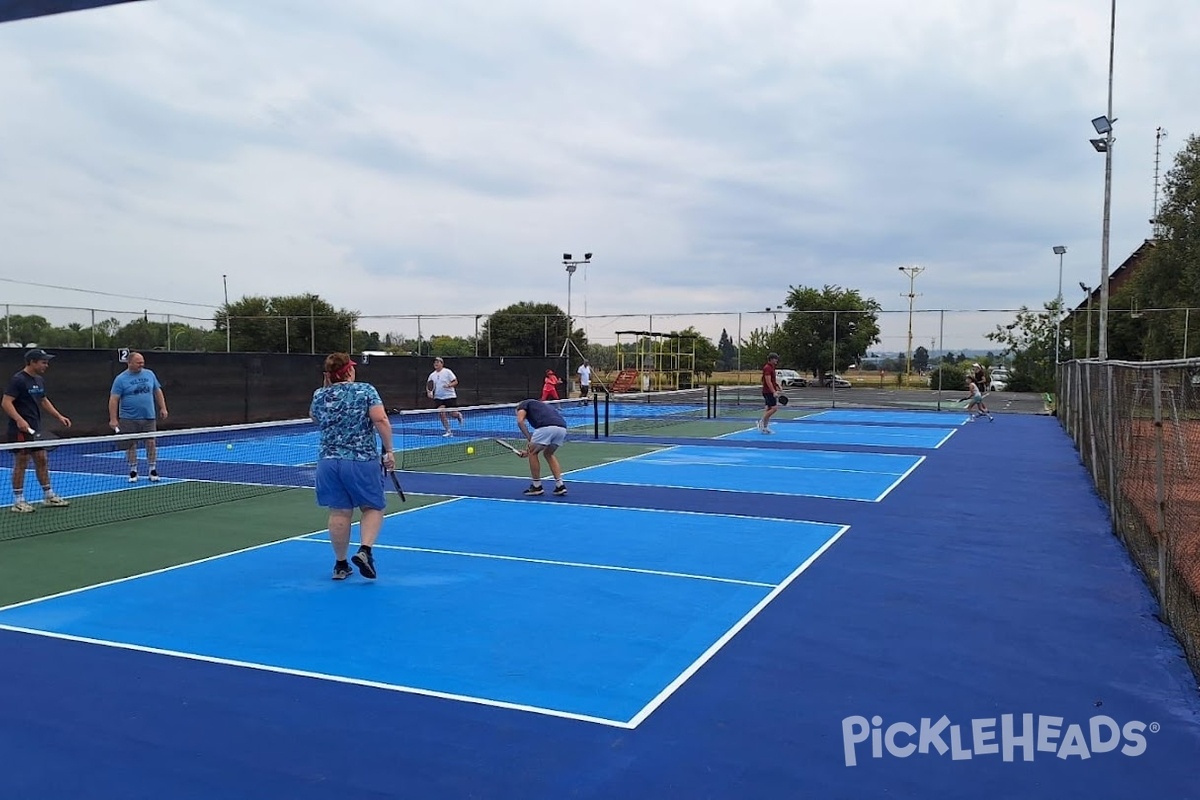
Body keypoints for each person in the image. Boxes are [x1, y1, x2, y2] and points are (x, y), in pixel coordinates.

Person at [310, 352, 396, 580]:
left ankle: (340, 565)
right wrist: (389, 450)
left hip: (328, 462)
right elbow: (380, 419)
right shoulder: (365, 390)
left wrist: (327, 388)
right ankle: (365, 550)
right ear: (348, 371)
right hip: (360, 460)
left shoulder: (320, 394)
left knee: (339, 511)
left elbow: (315, 417)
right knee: (373, 507)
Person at [2, 349, 72, 512]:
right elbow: (6, 402)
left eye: (46, 362)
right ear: (32, 362)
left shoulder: (39, 380)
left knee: (41, 459)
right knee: (22, 462)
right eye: (43, 362)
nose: (46, 365)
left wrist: (59, 416)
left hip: (35, 428)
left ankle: (49, 496)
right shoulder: (18, 380)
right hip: (19, 430)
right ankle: (19, 501)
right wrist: (19, 419)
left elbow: (43, 400)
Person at [108, 350, 169, 482]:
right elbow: (114, 399)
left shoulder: (150, 374)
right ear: (129, 363)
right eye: (138, 362)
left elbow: (157, 391)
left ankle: (152, 469)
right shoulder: (120, 379)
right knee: (130, 445)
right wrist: (113, 419)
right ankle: (133, 470)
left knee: (151, 443)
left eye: (142, 362)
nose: (141, 364)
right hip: (128, 418)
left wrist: (163, 408)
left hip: (149, 417)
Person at [515, 398, 568, 496]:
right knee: (548, 453)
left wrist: (529, 439)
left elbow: (520, 421)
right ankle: (560, 485)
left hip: (546, 427)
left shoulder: (522, 405)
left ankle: (536, 486)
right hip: (562, 428)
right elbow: (541, 444)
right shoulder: (542, 406)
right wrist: (528, 450)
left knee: (533, 453)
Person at [426, 356, 464, 437]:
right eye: (435, 362)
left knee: (452, 414)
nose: (436, 363)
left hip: (450, 396)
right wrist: (429, 392)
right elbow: (429, 385)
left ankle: (458, 415)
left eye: (438, 362)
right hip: (439, 398)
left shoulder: (447, 372)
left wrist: (449, 385)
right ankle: (448, 431)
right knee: (441, 413)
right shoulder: (432, 375)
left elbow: (455, 381)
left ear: (442, 364)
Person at [758, 352, 782, 434]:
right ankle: (761, 422)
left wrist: (777, 385)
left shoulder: (772, 367)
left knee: (768, 409)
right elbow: (768, 381)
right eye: (775, 359)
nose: (777, 360)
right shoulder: (767, 368)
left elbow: (772, 380)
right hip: (768, 392)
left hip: (769, 391)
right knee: (774, 408)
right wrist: (773, 392)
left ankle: (765, 427)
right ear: (771, 359)